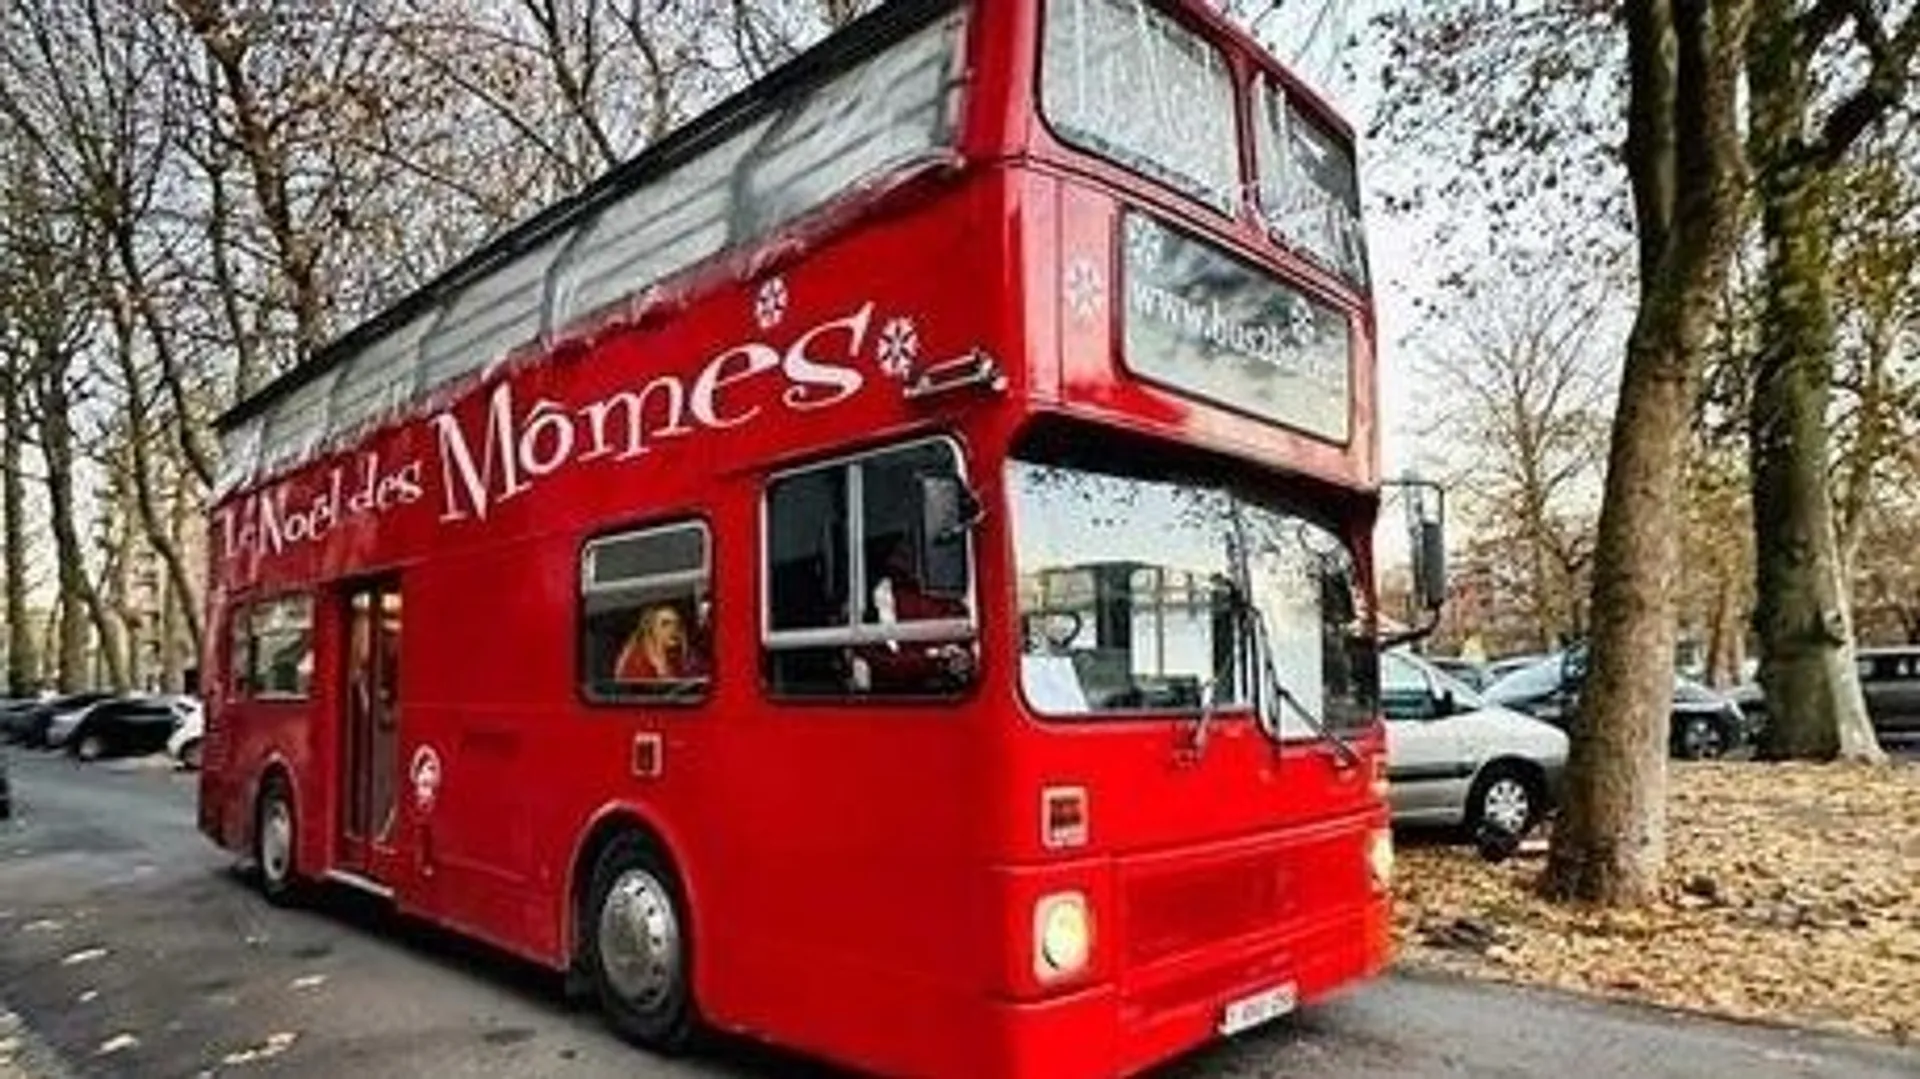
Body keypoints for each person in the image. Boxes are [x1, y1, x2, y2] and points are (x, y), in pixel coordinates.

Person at [616, 603, 705, 683]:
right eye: (665, 624)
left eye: (678, 623)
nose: (674, 628)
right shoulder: (636, 662)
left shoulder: (689, 657)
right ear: (652, 629)